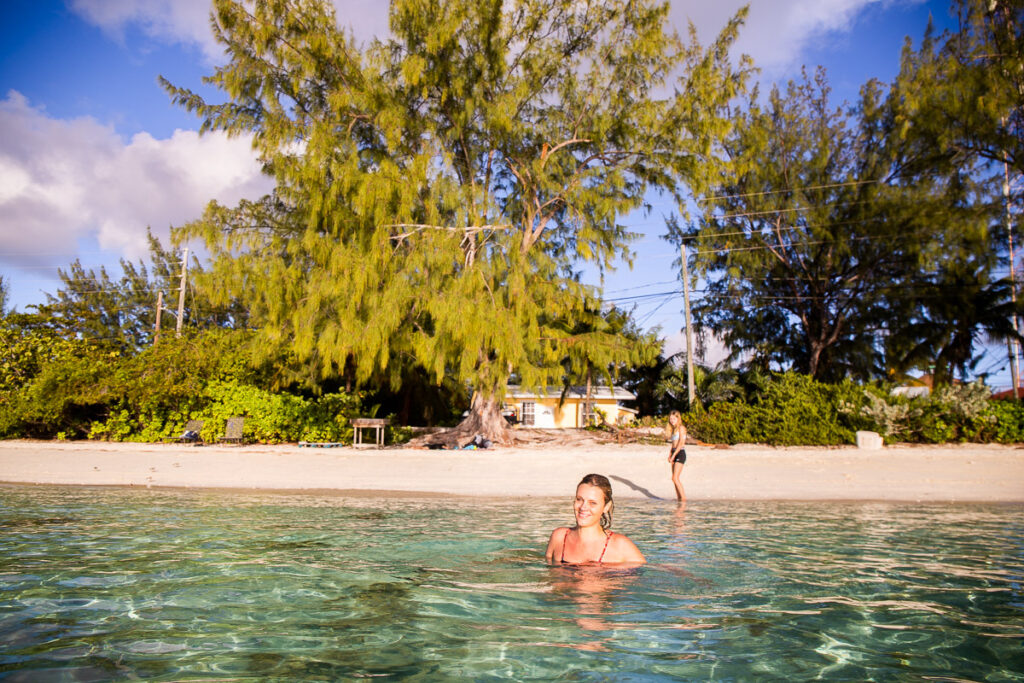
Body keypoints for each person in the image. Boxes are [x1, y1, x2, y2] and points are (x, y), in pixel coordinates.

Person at [545, 473, 645, 565]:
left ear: (606, 507)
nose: (583, 507)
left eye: (592, 503)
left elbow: (646, 576)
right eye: (579, 499)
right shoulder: (559, 537)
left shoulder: (620, 545)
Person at [667, 410, 687, 501]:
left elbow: (681, 443)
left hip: (680, 453)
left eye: (674, 418)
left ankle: (683, 499)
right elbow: (673, 443)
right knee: (673, 479)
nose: (672, 420)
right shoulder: (673, 429)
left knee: (675, 478)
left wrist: (674, 455)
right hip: (674, 452)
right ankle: (679, 498)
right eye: (670, 418)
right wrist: (670, 454)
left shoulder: (681, 428)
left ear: (678, 418)